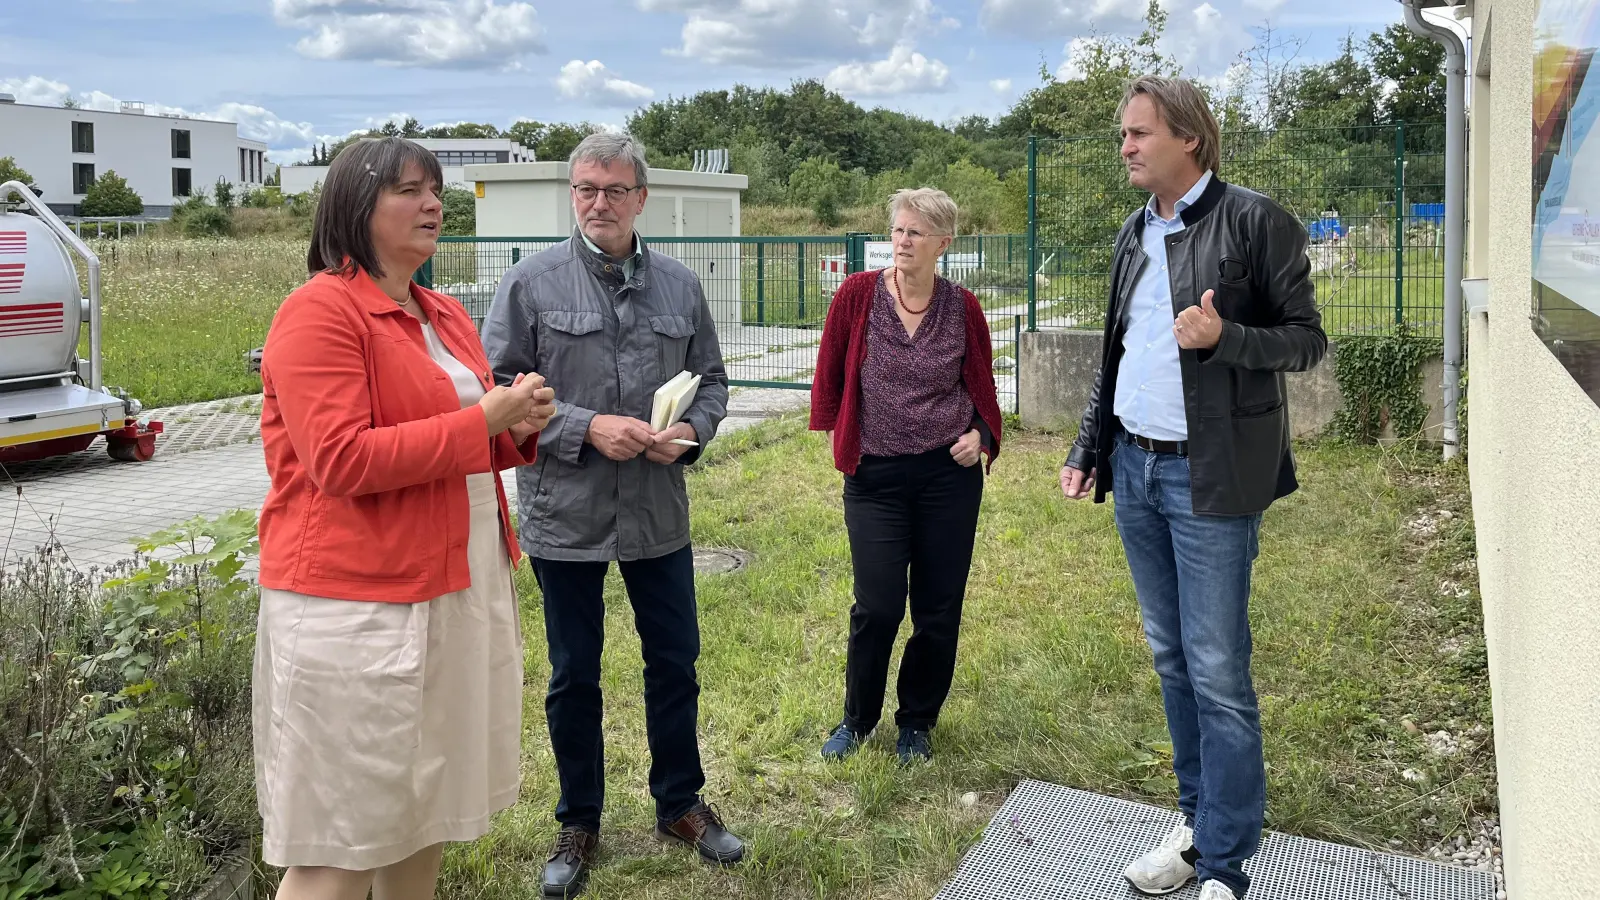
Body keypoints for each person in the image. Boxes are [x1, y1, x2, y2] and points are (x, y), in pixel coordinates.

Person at [253, 137, 556, 900]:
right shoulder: (318, 311)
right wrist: (483, 419)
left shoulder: (441, 311)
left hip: (455, 588)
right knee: (342, 841)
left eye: (436, 191)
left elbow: (458, 439)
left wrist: (516, 425)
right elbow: (340, 461)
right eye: (410, 192)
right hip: (357, 609)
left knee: (426, 816)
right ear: (358, 209)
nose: (434, 206)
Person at [1060, 77, 1327, 900]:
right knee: (1174, 659)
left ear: (1191, 140)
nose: (1126, 148)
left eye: (1139, 133)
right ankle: (1195, 826)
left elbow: (1306, 341)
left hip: (1210, 475)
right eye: (1123, 136)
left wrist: (1225, 338)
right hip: (1135, 470)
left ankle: (1226, 864)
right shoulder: (1134, 233)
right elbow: (1120, 356)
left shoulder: (1255, 221)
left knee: (1217, 669)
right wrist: (1089, 446)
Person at [479, 132, 741, 898]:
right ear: (573, 193)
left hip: (658, 512)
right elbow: (495, 393)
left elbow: (715, 383)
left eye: (614, 190)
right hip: (567, 513)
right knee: (573, 676)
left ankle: (681, 804)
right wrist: (584, 426)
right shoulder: (530, 284)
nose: (599, 203)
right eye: (586, 188)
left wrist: (692, 434)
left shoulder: (681, 288)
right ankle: (578, 821)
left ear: (641, 198)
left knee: (674, 662)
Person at [809, 187, 1004, 766]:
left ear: (943, 243)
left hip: (947, 477)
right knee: (878, 605)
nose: (902, 242)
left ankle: (916, 722)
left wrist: (983, 435)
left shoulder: (962, 307)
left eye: (915, 233)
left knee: (938, 608)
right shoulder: (857, 296)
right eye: (896, 231)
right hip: (875, 477)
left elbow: (982, 386)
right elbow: (832, 367)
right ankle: (857, 718)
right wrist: (837, 432)